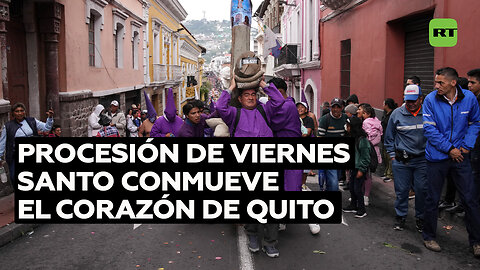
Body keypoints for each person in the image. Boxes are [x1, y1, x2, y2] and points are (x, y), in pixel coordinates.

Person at [217, 76, 283, 258]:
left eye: (254, 94)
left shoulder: (265, 111)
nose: (251, 97)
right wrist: (231, 86)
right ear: (240, 99)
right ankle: (252, 235)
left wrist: (263, 84)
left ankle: (270, 242)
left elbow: (279, 100)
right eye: (247, 95)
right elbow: (219, 107)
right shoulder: (234, 114)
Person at [422, 67, 480, 257]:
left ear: (453, 83)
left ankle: (476, 242)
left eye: (441, 82)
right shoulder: (430, 100)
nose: (436, 86)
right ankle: (429, 236)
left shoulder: (469, 98)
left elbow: (475, 123)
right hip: (437, 157)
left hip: (461, 157)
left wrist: (467, 146)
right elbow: (429, 130)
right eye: (436, 82)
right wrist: (450, 149)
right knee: (432, 198)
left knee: (470, 200)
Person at [269, 77, 320, 235]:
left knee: (293, 189)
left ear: (280, 93)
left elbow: (272, 122)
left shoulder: (288, 107)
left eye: (272, 95)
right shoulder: (282, 106)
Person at [384, 85, 427, 232]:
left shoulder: (428, 113)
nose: (411, 103)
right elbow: (388, 138)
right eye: (408, 101)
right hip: (401, 161)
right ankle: (400, 216)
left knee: (421, 190)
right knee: (402, 191)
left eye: (414, 100)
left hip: (422, 160)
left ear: (421, 99)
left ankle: (420, 218)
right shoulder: (396, 114)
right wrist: (392, 156)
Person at [0, 103, 54, 185]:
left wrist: (49, 118)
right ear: (13, 113)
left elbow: (46, 128)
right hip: (15, 154)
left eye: (21, 111)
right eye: (17, 111)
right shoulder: (8, 126)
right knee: (14, 176)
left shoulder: (32, 121)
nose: (19, 113)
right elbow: (2, 143)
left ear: (25, 112)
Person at [342, 117, 370, 218]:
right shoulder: (352, 137)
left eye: (348, 126)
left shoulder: (362, 140)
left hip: (359, 169)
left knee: (358, 189)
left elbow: (365, 157)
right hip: (353, 168)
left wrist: (361, 170)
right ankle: (353, 205)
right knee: (352, 188)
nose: (346, 127)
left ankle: (362, 209)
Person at [318, 98, 348, 191]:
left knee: (334, 178)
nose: (335, 109)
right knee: (334, 183)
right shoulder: (325, 119)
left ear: (342, 108)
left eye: (338, 107)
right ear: (330, 107)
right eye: (333, 107)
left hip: (341, 154)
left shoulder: (345, 118)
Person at [358, 104, 382, 206]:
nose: (361, 114)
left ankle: (364, 196)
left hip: (367, 150)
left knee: (364, 174)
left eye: (363, 112)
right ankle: (366, 196)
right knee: (369, 175)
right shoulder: (377, 122)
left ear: (367, 114)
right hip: (375, 150)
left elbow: (366, 136)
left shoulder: (366, 122)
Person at [467, 68, 480, 204]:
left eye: (473, 82)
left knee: (475, 175)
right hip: (473, 144)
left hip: (477, 145)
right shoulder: (473, 99)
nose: (469, 85)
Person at [381, 98, 397, 182]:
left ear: (387, 105)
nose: (382, 105)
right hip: (384, 138)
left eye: (384, 103)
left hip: (390, 139)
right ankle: (386, 172)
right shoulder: (385, 114)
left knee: (389, 156)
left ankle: (390, 174)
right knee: (385, 156)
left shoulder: (392, 114)